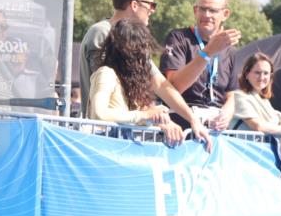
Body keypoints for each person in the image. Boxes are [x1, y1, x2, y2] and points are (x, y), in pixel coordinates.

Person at [88, 19, 210, 148]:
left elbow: (130, 118)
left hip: (118, 148)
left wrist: (160, 122)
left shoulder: (129, 82)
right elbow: (99, 113)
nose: (145, 59)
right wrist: (145, 115)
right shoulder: (106, 74)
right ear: (129, 52)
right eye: (141, 51)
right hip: (103, 147)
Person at [159, 0, 243, 130]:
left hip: (215, 128)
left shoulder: (230, 50)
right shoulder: (179, 38)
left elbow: (231, 96)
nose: (206, 14)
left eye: (213, 10)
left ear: (225, 14)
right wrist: (207, 53)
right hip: (183, 125)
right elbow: (174, 86)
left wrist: (226, 115)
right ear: (195, 11)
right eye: (202, 9)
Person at [79, 0, 157, 118]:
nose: (153, 10)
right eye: (151, 5)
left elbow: (159, 84)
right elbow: (101, 111)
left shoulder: (126, 78)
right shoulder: (105, 71)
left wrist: (156, 116)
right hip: (101, 131)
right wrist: (143, 115)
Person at [230, 53, 281, 135]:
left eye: (266, 73)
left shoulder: (264, 100)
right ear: (246, 74)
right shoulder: (239, 96)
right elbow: (258, 126)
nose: (261, 77)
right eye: (257, 73)